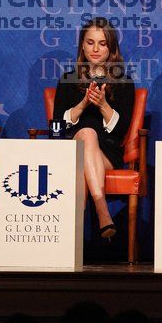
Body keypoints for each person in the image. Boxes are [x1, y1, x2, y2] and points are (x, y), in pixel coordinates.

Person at [52, 17, 135, 240]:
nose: (96, 49)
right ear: (82, 45)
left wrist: (103, 105)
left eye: (102, 43)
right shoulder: (68, 79)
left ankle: (71, 239)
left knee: (88, 137)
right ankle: (102, 211)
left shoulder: (124, 82)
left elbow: (121, 130)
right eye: (90, 42)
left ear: (111, 47)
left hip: (107, 152)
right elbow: (57, 126)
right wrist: (83, 104)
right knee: (86, 135)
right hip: (71, 152)